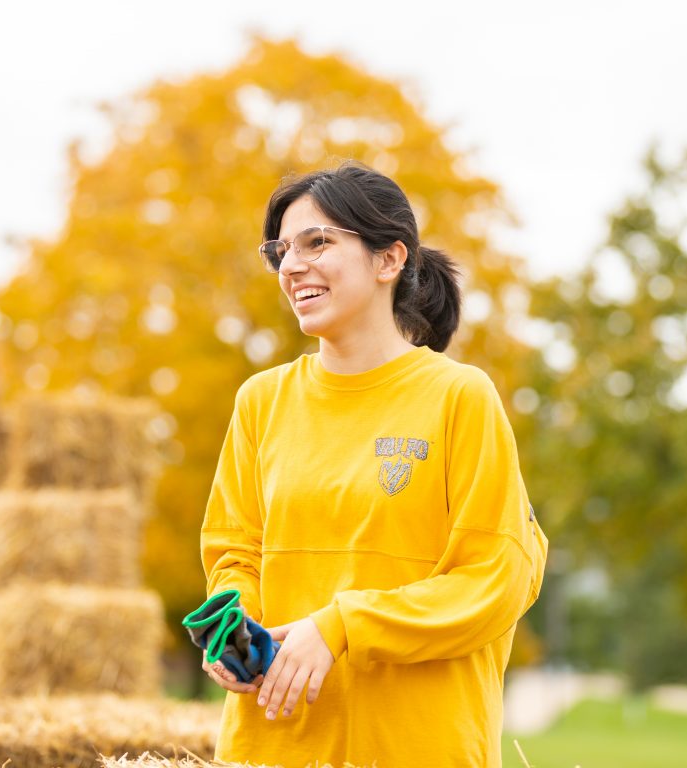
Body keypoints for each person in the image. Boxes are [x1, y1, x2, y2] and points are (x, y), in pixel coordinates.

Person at [199, 162, 548, 768]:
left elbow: (496, 579)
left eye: (319, 242)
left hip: (418, 748)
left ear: (389, 261)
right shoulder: (260, 401)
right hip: (272, 749)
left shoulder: (459, 397)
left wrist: (342, 627)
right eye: (281, 250)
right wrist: (233, 623)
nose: (291, 266)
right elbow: (233, 552)